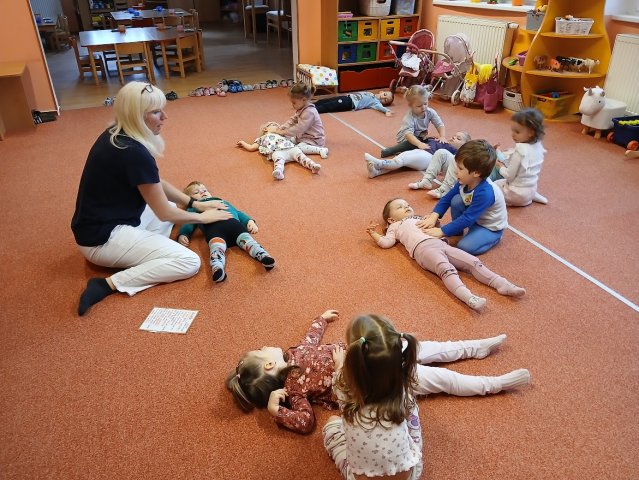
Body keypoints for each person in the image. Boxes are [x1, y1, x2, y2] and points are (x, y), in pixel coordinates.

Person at [227, 310, 531, 435]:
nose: (265, 345)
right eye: (260, 350)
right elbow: (306, 422)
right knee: (444, 380)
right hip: (379, 383)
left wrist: (321, 318)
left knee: (430, 348)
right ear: (268, 365)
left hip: (375, 352)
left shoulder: (294, 352)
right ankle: (493, 384)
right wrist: (276, 411)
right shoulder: (295, 392)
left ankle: (475, 347)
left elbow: (312, 337)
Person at [71, 82, 233, 316]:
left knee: (171, 206)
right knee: (189, 262)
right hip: (100, 240)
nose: (165, 117)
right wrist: (203, 218)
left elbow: (155, 183)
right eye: (156, 112)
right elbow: (164, 214)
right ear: (137, 116)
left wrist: (195, 204)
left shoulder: (118, 134)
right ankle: (108, 284)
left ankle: (149, 253)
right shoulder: (133, 152)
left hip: (103, 223)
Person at [323, 314, 530, 480]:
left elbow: (342, 379)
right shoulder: (404, 387)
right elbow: (415, 424)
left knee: (332, 424)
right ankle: (490, 376)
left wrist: (339, 364)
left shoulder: (342, 384)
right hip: (411, 473)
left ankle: (482, 359)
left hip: (364, 476)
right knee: (444, 377)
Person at [368, 198, 525, 311]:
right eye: (400, 207)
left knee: (473, 261)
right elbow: (386, 243)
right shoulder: (395, 226)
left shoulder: (420, 218)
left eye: (407, 205)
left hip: (442, 244)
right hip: (423, 249)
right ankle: (468, 297)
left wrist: (434, 222)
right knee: (446, 269)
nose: (406, 207)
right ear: (391, 219)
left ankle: (501, 284)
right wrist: (374, 234)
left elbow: (437, 227)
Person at [417, 139, 508, 256]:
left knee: (464, 247)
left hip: (489, 227)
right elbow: (447, 198)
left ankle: (494, 238)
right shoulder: (465, 180)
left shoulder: (486, 192)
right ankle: (458, 231)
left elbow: (468, 218)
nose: (456, 171)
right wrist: (433, 216)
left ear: (476, 173)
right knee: (456, 200)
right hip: (476, 218)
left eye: (460, 168)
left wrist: (442, 231)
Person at [178, 181, 275, 283]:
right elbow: (189, 221)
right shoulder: (193, 208)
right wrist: (184, 234)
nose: (202, 192)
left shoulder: (221, 201)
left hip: (233, 225)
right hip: (214, 230)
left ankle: (264, 256)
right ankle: (217, 268)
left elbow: (238, 212)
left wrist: (249, 221)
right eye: (196, 192)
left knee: (249, 242)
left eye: (204, 190)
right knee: (216, 249)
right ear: (189, 200)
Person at [493, 108, 549, 206]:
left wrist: (500, 166)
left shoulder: (520, 151)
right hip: (531, 189)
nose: (513, 135)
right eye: (512, 131)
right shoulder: (538, 146)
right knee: (525, 181)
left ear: (531, 133)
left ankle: (513, 201)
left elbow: (509, 176)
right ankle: (531, 196)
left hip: (516, 194)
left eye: (517, 132)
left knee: (493, 186)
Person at [365, 131, 469, 179]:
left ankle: (379, 163)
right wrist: (432, 138)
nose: (453, 138)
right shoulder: (443, 141)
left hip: (428, 157)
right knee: (401, 161)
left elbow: (453, 164)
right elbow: (425, 140)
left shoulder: (454, 151)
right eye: (454, 135)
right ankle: (376, 172)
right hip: (420, 151)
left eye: (458, 138)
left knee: (401, 160)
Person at [237, 121, 321, 180]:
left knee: (301, 156)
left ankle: (313, 166)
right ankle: (278, 172)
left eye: (278, 125)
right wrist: (243, 143)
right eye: (274, 125)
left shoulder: (282, 135)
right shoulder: (261, 138)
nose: (277, 126)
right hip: (277, 151)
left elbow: (293, 138)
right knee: (278, 159)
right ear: (265, 129)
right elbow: (251, 147)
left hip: (290, 148)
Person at [380, 85, 446, 158]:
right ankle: (391, 150)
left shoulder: (430, 112)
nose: (423, 107)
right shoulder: (409, 117)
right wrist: (419, 144)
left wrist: (442, 136)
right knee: (414, 144)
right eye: (419, 106)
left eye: (425, 103)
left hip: (419, 137)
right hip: (406, 138)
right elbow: (408, 135)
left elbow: (439, 124)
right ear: (410, 105)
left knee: (433, 140)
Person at [274, 82, 329, 159]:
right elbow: (293, 119)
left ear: (304, 100)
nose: (292, 105)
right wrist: (283, 127)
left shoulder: (309, 112)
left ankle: (320, 150)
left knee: (296, 149)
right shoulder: (301, 108)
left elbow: (299, 128)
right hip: (303, 137)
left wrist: (284, 132)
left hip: (313, 139)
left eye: (294, 103)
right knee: (287, 140)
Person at [407, 132, 472, 195]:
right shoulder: (445, 146)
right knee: (441, 152)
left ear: (465, 145)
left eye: (458, 138)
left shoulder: (466, 155)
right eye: (453, 136)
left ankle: (445, 189)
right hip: (450, 171)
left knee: (456, 158)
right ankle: (426, 181)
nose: (453, 138)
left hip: (461, 178)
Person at [313, 90, 394, 116]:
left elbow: (380, 108)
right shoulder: (371, 93)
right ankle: (313, 104)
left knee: (330, 105)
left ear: (384, 103)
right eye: (385, 95)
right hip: (347, 97)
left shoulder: (376, 103)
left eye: (385, 100)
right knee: (327, 100)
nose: (383, 97)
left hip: (350, 103)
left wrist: (387, 111)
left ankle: (314, 110)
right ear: (381, 92)